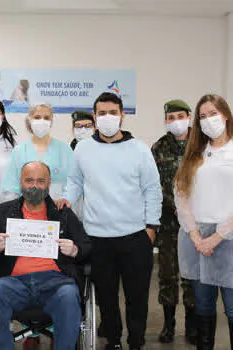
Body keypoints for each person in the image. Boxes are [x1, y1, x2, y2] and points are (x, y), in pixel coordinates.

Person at [59, 92, 162, 350]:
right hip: (97, 238)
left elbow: (152, 188)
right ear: (94, 117)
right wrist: (66, 201)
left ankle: (136, 342)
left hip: (136, 236)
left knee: (137, 297)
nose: (107, 118)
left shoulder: (139, 149)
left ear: (122, 115)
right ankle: (113, 342)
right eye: (102, 113)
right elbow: (75, 182)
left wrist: (152, 227)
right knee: (106, 297)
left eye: (113, 112)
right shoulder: (83, 148)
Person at [174, 94, 233, 349]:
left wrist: (218, 236)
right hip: (198, 241)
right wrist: (195, 236)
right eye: (202, 116)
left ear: (225, 115)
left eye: (212, 113)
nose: (208, 120)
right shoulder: (195, 154)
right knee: (202, 306)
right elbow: (181, 196)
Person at [0, 161, 91, 350]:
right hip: (13, 282)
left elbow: (87, 246)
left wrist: (75, 250)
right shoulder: (3, 212)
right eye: (29, 180)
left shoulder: (63, 213)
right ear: (20, 182)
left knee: (69, 295)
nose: (34, 186)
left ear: (49, 183)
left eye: (41, 181)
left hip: (56, 283)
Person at [151, 99, 195, 344]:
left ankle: (192, 325)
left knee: (192, 276)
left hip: (196, 223)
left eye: (180, 116)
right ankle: (169, 324)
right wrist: (176, 205)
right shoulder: (158, 148)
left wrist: (191, 208)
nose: (176, 121)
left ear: (189, 116)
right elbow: (153, 185)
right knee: (167, 275)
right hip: (169, 221)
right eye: (171, 117)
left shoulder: (201, 145)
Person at [1, 102, 73, 201]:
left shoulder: (65, 150)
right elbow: (10, 187)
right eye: (37, 117)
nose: (42, 121)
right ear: (29, 120)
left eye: (46, 118)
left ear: (51, 121)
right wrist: (15, 212)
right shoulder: (19, 151)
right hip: (26, 211)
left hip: (58, 210)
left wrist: (66, 202)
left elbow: (73, 184)